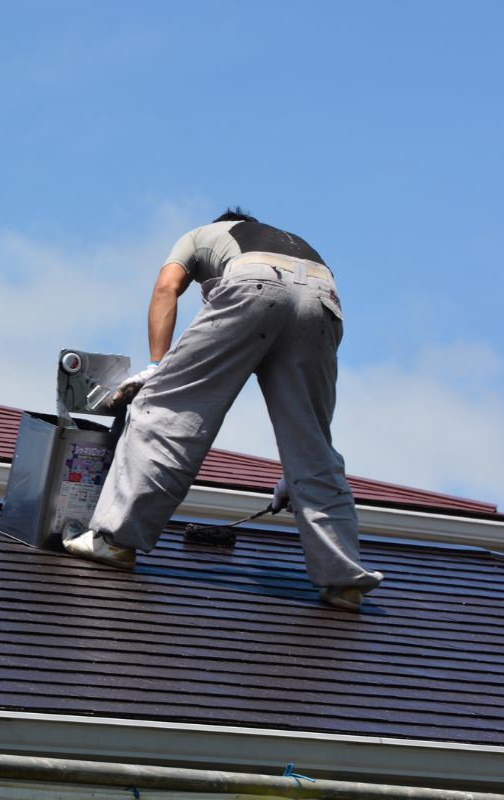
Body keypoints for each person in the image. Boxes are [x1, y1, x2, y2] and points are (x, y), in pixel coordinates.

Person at [63, 208, 383, 610]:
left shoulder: (201, 235)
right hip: (323, 298)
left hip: (254, 286)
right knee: (313, 445)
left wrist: (158, 368)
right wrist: (295, 472)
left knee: (164, 407)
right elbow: (310, 407)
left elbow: (166, 287)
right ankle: (345, 581)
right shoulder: (288, 241)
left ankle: (113, 541)